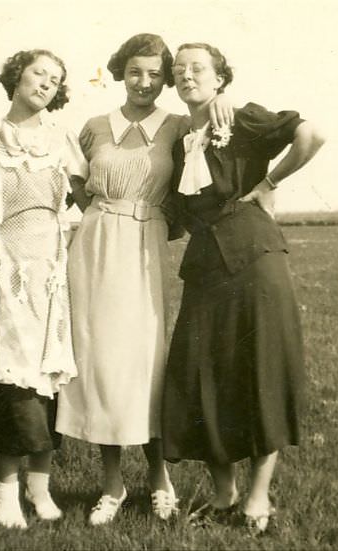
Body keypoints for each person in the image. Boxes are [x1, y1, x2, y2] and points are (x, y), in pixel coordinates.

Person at [55, 33, 232, 525]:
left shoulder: (176, 125)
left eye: (157, 74)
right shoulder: (94, 127)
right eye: (136, 71)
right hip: (94, 247)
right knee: (100, 362)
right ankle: (111, 485)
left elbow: (212, 129)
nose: (145, 82)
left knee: (146, 363)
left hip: (144, 247)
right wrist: (96, 214)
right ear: (120, 71)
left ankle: (159, 478)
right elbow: (72, 181)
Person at [160, 42, 325, 533]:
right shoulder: (178, 140)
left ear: (219, 79)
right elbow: (175, 214)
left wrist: (270, 181)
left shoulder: (242, 116)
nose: (187, 75)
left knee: (261, 373)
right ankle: (223, 493)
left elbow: (311, 135)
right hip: (206, 268)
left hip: (255, 261)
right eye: (179, 69)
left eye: (198, 68)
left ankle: (257, 497)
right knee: (202, 375)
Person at [0, 49, 87, 530]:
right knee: (11, 377)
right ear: (16, 76)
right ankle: (5, 492)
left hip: (53, 269)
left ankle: (39, 486)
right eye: (38, 72)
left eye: (54, 79)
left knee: (51, 374)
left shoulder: (64, 140)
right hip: (3, 268)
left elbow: (86, 196)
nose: (45, 83)